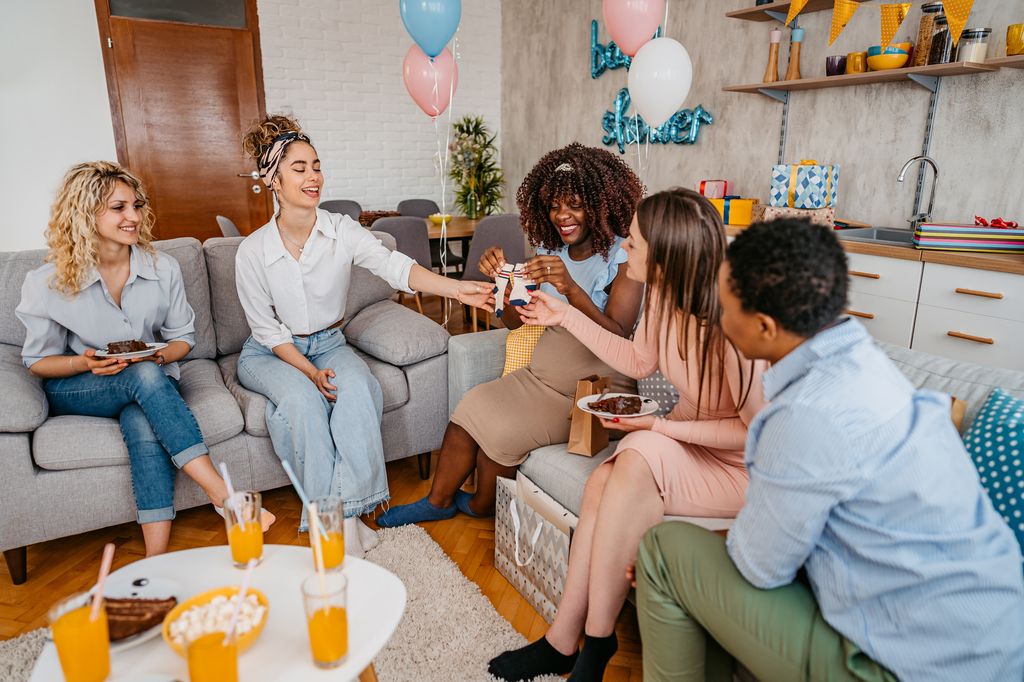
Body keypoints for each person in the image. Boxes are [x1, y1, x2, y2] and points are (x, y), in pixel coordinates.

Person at [635, 219, 1024, 682]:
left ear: (762, 327)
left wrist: (725, 545)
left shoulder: (805, 414)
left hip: (914, 668)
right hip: (996, 641)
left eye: (724, 304)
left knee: (663, 550)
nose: (717, 314)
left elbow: (760, 568)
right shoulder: (869, 366)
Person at [487, 189, 768, 681]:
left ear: (666, 253)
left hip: (741, 470)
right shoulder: (662, 295)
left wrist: (657, 425)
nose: (624, 250)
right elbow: (637, 360)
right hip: (683, 443)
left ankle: (591, 647)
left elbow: (756, 435)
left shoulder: (733, 318)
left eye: (634, 244)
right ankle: (567, 641)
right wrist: (563, 315)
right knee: (602, 481)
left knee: (637, 448)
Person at [234, 115, 492, 555]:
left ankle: (346, 516)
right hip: (270, 353)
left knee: (359, 391)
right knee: (302, 403)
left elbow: (395, 266)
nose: (313, 176)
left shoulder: (340, 230)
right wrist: (310, 374)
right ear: (272, 180)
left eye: (316, 165)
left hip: (330, 342)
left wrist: (456, 288)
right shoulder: (252, 251)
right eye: (299, 169)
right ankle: (328, 523)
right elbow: (267, 330)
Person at [377, 142, 646, 528]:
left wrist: (570, 290)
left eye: (574, 204)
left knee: (499, 435)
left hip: (590, 390)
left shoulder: (622, 256)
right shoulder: (551, 251)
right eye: (554, 205)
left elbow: (619, 335)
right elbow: (516, 324)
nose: (562, 216)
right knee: (471, 406)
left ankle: (484, 504)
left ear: (600, 204)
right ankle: (437, 502)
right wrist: (504, 286)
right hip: (538, 379)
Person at [15, 161, 268, 556]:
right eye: (119, 208)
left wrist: (158, 354)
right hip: (82, 384)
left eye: (136, 206)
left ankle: (154, 560)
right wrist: (85, 362)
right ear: (85, 213)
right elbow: (37, 361)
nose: (133, 217)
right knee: (145, 377)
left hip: (151, 380)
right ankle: (222, 493)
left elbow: (183, 338)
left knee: (143, 416)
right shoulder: (47, 282)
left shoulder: (162, 267)